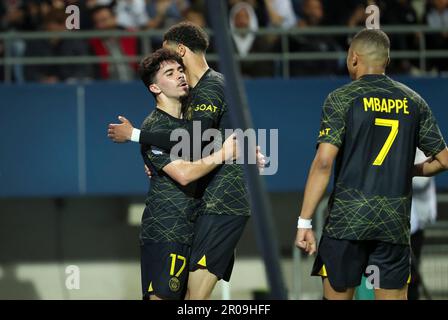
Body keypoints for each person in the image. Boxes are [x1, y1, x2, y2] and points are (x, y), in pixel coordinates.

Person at [295, 29, 448, 300]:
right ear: (386, 61)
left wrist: (304, 221)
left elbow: (323, 162)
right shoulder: (414, 101)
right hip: (393, 225)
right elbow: (444, 160)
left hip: (346, 222)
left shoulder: (341, 98)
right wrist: (409, 170)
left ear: (354, 58)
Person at [108, 22, 256, 300]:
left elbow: (197, 139)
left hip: (221, 205)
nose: (177, 71)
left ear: (181, 49)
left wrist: (137, 136)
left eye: (176, 64)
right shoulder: (184, 104)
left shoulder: (209, 88)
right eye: (169, 71)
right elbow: (194, 147)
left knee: (195, 300)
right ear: (155, 86)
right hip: (179, 222)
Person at [134, 48, 237, 300]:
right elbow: (183, 175)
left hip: (193, 227)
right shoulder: (154, 126)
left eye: (180, 70)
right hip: (165, 230)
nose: (180, 76)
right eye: (170, 73)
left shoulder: (193, 121)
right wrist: (223, 154)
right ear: (155, 88)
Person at [408, 148, 438, 300]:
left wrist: (402, 170)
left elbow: (421, 182)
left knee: (412, 275)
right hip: (395, 227)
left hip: (414, 229)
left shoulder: (422, 146)